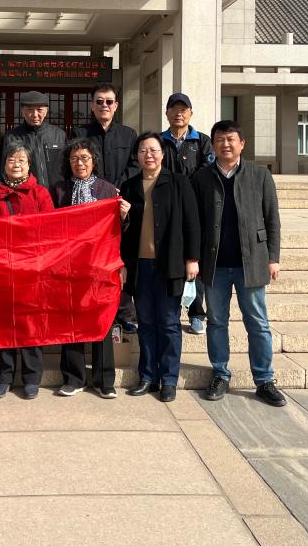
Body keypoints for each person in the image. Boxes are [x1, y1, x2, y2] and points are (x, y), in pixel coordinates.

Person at [193, 120, 286, 407]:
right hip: (215, 264)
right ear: (213, 144)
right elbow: (194, 222)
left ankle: (264, 379)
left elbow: (272, 219)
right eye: (220, 139)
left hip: (252, 262)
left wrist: (273, 258)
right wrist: (194, 258)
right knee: (216, 322)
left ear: (242, 144)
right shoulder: (202, 177)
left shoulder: (260, 175)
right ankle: (220, 374)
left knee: (257, 322)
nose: (226, 144)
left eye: (231, 139)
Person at [121, 132, 200, 403]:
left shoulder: (178, 182)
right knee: (145, 323)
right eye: (143, 150)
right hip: (140, 265)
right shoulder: (130, 186)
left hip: (169, 265)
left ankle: (169, 379)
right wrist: (123, 218)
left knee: (168, 323)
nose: (149, 155)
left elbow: (192, 222)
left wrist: (192, 259)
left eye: (154, 150)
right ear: (137, 155)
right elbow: (123, 232)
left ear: (163, 154)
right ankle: (147, 376)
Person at [50, 139, 131, 399]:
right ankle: (73, 378)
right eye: (74, 158)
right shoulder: (59, 190)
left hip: (100, 266)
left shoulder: (108, 190)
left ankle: (104, 380)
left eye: (85, 157)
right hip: (68, 266)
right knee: (71, 321)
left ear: (94, 160)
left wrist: (124, 216)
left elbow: (119, 232)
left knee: (101, 320)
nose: (80, 163)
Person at [0, 141, 54, 399]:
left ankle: (32, 377)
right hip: (1, 266)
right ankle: (4, 376)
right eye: (11, 160)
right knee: (3, 323)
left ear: (29, 165)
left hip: (32, 268)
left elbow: (50, 228)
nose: (16, 164)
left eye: (21, 160)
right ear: (4, 164)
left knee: (31, 323)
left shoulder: (40, 194)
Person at [73, 82, 139, 331]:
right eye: (99, 101)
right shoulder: (81, 132)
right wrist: (99, 188)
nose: (104, 105)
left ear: (116, 106)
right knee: (93, 259)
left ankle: (124, 312)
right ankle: (92, 305)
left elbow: (135, 164)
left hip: (119, 203)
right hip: (90, 206)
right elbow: (78, 163)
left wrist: (114, 189)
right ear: (92, 106)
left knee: (120, 256)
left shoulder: (128, 134)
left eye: (109, 101)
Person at [160, 92, 215, 336]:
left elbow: (207, 172)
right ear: (167, 113)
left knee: (194, 261)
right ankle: (169, 311)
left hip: (195, 209)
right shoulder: (159, 141)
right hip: (166, 209)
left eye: (183, 109)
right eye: (174, 109)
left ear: (191, 113)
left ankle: (196, 314)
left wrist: (186, 191)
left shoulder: (202, 141)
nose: (178, 113)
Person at [2, 91, 65, 189]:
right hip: (26, 193)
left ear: (46, 111)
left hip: (57, 193)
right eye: (29, 109)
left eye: (39, 110)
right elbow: (4, 170)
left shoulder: (59, 135)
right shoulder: (12, 137)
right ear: (22, 111)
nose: (35, 114)